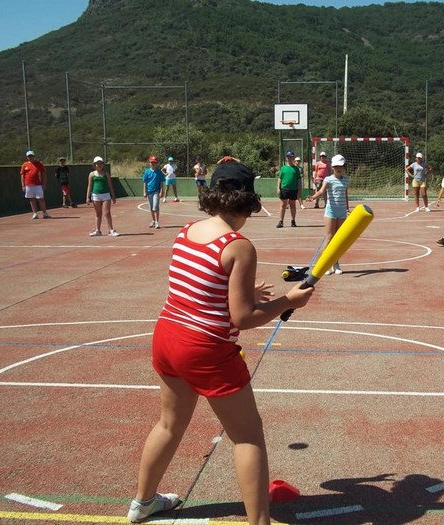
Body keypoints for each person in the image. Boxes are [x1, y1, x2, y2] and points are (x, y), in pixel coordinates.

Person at [127, 162, 314, 524]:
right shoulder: (238, 246)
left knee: (169, 424)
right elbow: (243, 319)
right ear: (247, 202)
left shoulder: (186, 230)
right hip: (206, 349)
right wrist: (287, 301)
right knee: (248, 438)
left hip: (167, 336)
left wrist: (245, 293)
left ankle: (143, 502)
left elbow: (201, 289)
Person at [306, 154, 349, 275]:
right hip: (330, 212)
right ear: (332, 168)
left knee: (338, 239)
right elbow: (321, 191)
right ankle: (324, 264)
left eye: (340, 166)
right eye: (336, 166)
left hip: (342, 213)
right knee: (330, 237)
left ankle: (336, 263)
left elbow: (345, 196)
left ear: (344, 167)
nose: (338, 168)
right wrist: (313, 197)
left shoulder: (346, 180)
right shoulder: (328, 179)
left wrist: (347, 209)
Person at [86, 156, 118, 236]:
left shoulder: (106, 174)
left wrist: (113, 196)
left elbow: (110, 185)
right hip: (95, 195)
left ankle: (111, 230)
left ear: (103, 164)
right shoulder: (92, 174)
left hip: (106, 195)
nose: (99, 165)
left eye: (101, 163)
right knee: (98, 213)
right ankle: (97, 230)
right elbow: (89, 186)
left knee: (107, 212)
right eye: (97, 163)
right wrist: (87, 197)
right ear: (94, 165)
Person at [20, 150, 51, 219]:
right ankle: (35, 213)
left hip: (38, 185)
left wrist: (44, 184)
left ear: (34, 156)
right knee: (32, 199)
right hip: (28, 185)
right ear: (27, 157)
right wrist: (23, 185)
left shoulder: (39, 164)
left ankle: (45, 213)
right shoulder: (24, 165)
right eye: (29, 156)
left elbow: (44, 174)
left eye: (31, 156)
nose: (30, 157)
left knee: (41, 199)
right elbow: (22, 176)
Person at [276, 150, 301, 228]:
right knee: (283, 204)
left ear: (293, 158)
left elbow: (299, 181)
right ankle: (281, 221)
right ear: (286, 158)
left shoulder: (296, 169)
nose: (289, 158)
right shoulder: (283, 168)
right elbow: (279, 178)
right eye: (288, 157)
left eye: (291, 157)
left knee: (292, 205)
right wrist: (278, 188)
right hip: (284, 189)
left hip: (293, 189)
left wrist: (299, 191)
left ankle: (293, 221)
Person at [143, 156, 165, 229]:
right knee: (151, 208)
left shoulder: (159, 172)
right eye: (151, 162)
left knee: (155, 207)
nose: (153, 164)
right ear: (149, 163)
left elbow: (161, 182)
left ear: (156, 163)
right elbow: (145, 182)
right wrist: (144, 192)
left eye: (154, 162)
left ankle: (157, 222)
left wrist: (162, 191)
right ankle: (153, 220)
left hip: (156, 191)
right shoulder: (147, 172)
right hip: (149, 192)